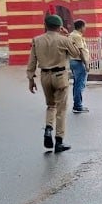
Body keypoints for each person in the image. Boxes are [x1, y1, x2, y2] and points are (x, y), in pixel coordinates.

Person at [27, 10, 82, 152]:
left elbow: (32, 62)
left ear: (45, 25)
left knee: (50, 106)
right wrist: (68, 36)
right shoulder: (63, 40)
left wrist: (30, 79)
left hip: (45, 76)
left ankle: (48, 128)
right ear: (60, 27)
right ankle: (59, 141)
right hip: (60, 76)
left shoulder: (37, 40)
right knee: (61, 109)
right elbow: (76, 53)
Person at [68, 19, 90, 113]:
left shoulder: (72, 35)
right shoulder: (77, 36)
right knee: (80, 84)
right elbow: (80, 51)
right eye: (84, 26)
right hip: (78, 61)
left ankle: (77, 104)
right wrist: (86, 64)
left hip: (73, 61)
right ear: (81, 27)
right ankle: (78, 106)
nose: (85, 28)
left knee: (76, 84)